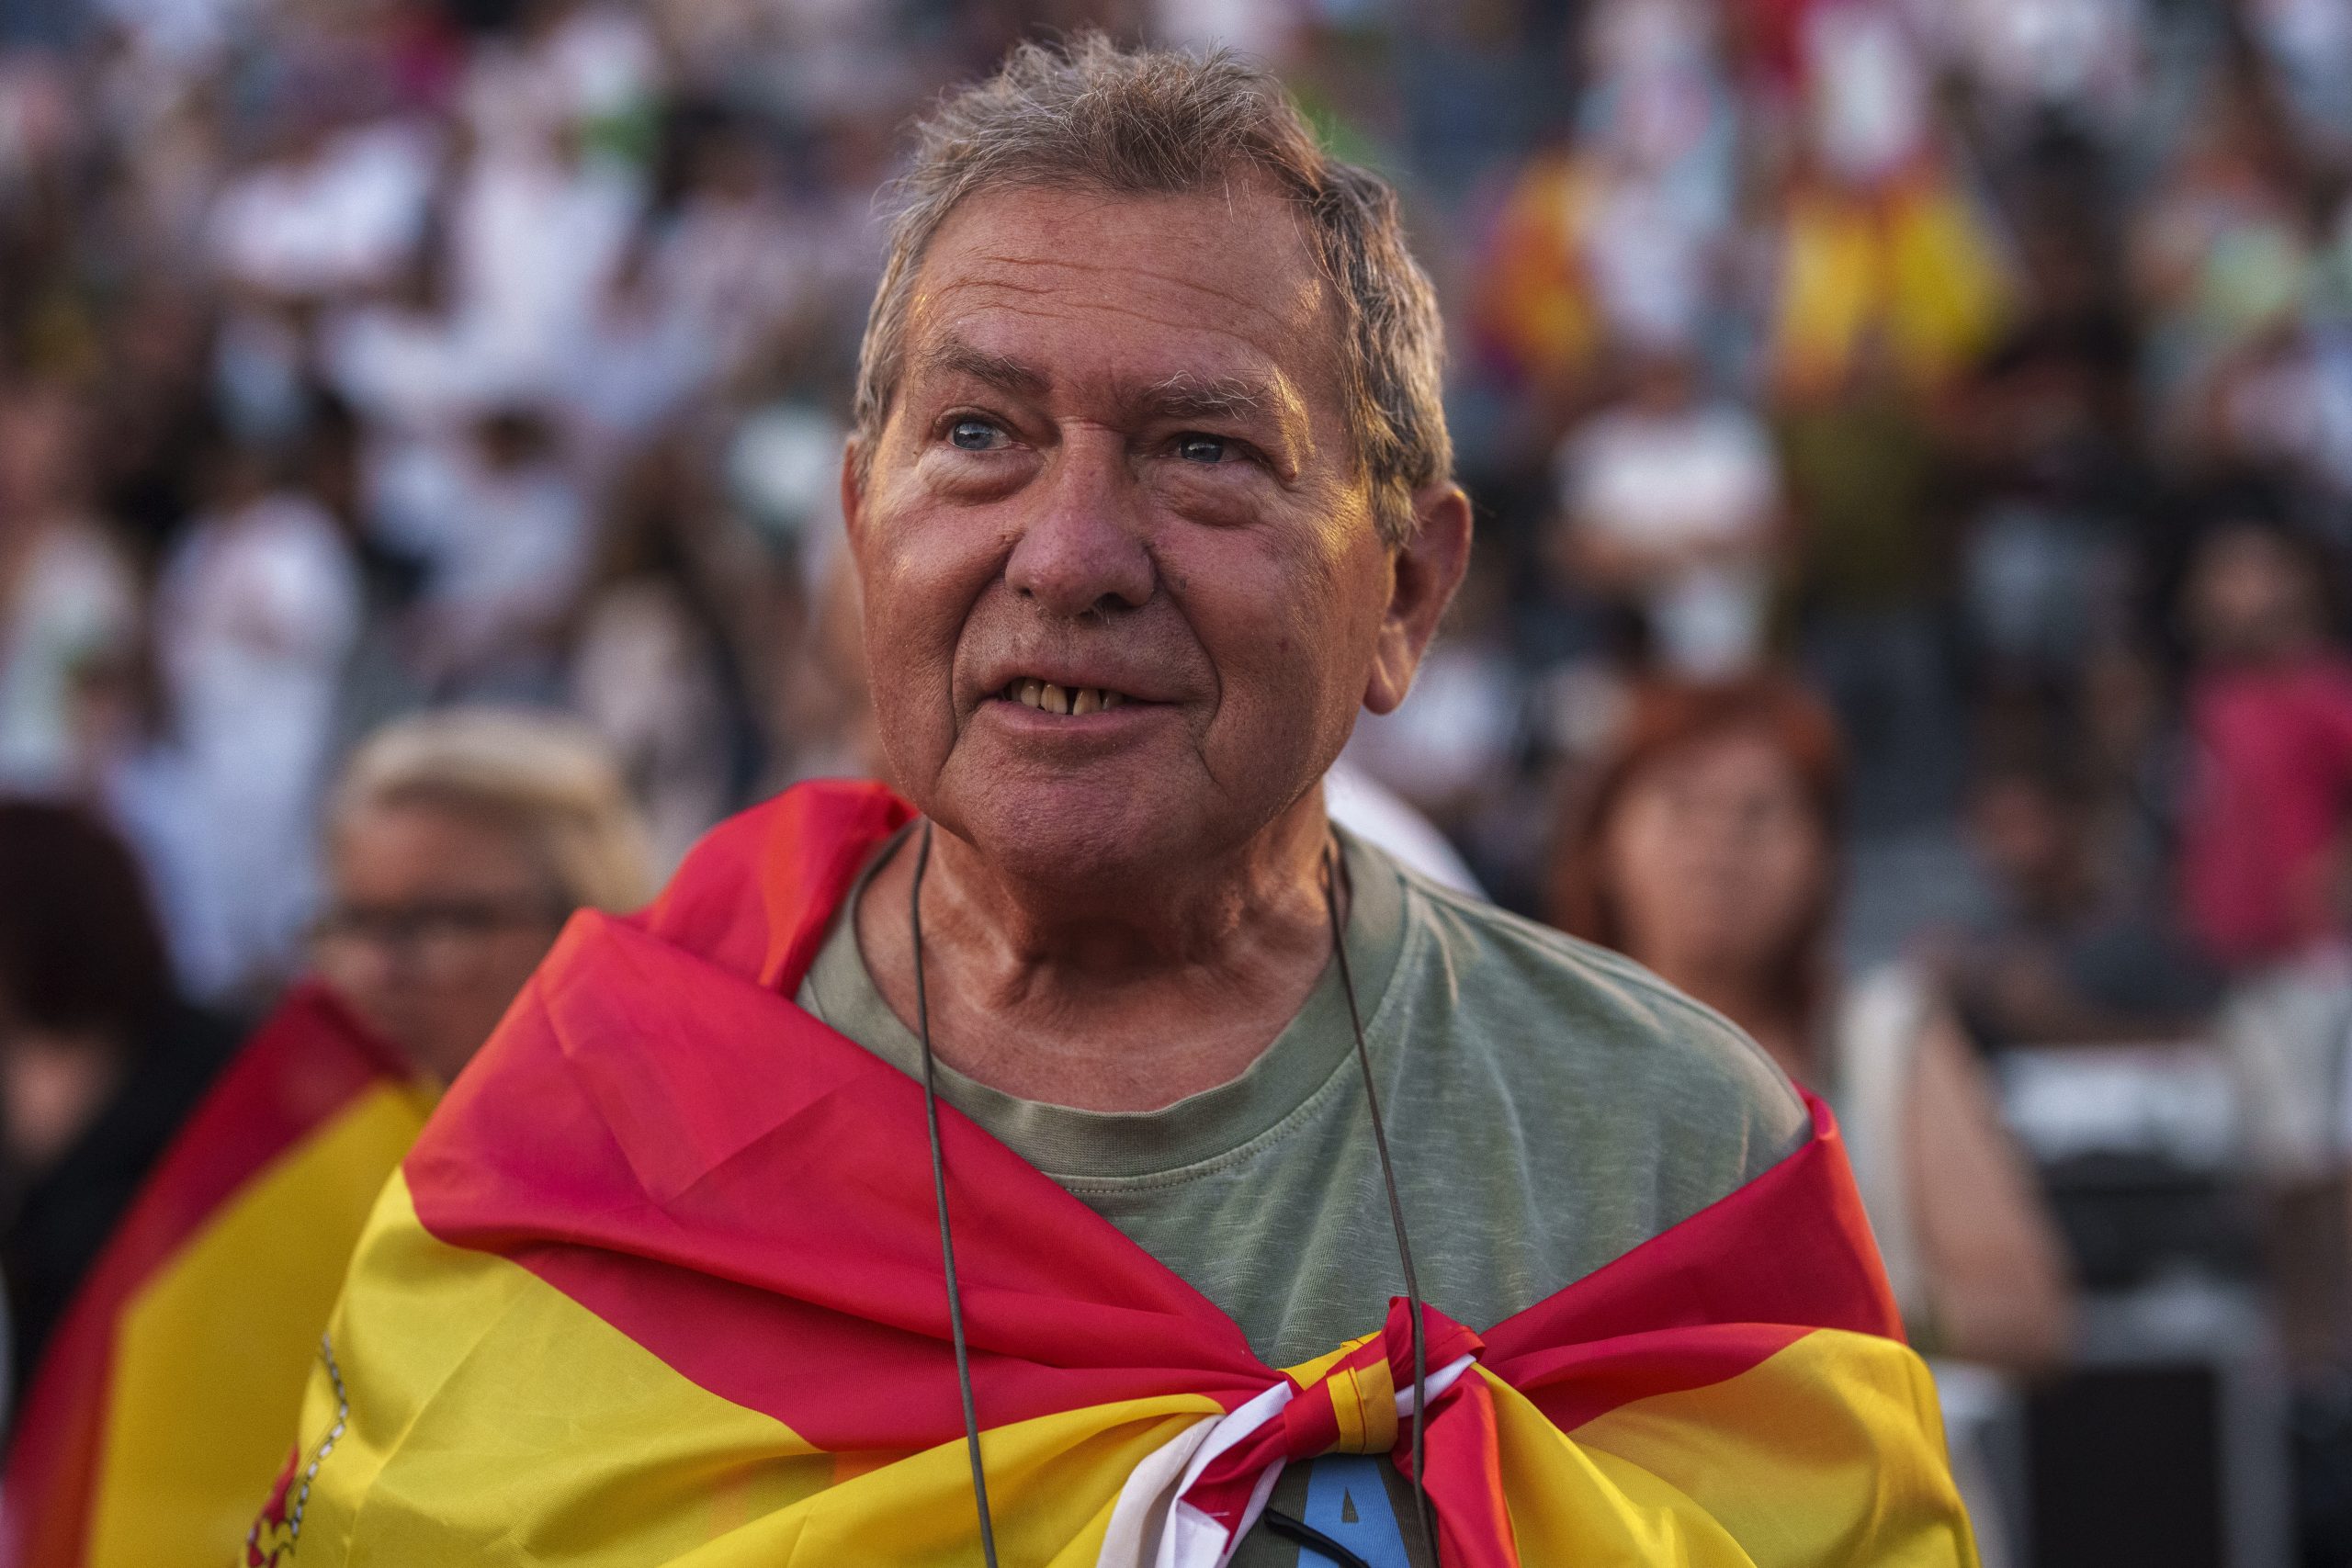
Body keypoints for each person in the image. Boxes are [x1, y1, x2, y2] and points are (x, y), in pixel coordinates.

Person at [259, 39, 1973, 1567]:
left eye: (1203, 449)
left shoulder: (1684, 1167)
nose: (1071, 554)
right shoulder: (581, 1133)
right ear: (861, 531)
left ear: (1404, 592)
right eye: (981, 434)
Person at [4, 708, 652, 1568]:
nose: (376, 969)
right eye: (351, 922)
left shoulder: (653, 1178)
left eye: (437, 921)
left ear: (584, 917)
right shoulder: (287, 1178)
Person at [1547, 674, 2076, 1562]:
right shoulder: (1533, 1057)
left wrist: (1807, 1320)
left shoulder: (1884, 1037)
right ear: (1602, 840)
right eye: (1681, 802)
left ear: (1825, 856)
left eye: (1759, 814)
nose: (1717, 845)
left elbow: (2031, 1313)